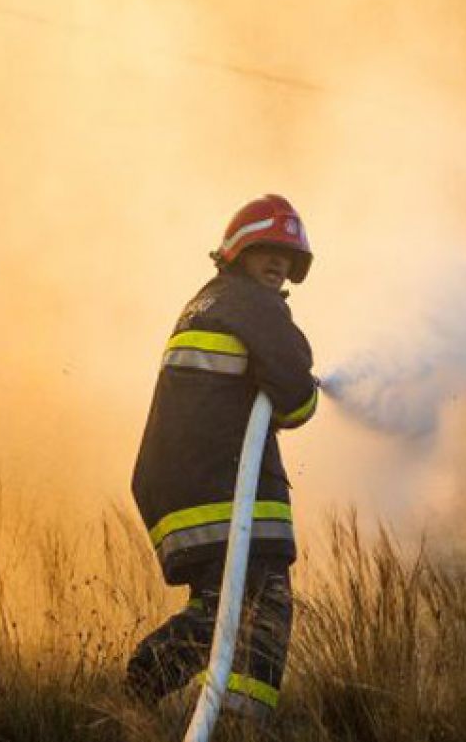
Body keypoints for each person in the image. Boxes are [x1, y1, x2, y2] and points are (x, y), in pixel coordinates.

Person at [126, 193, 319, 723]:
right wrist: (307, 396)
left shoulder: (209, 301)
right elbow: (296, 396)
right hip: (222, 486)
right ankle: (234, 720)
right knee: (264, 603)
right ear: (238, 253)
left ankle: (157, 682)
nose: (278, 263)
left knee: (225, 603)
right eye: (266, 251)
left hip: (178, 486)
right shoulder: (253, 306)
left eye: (287, 256)